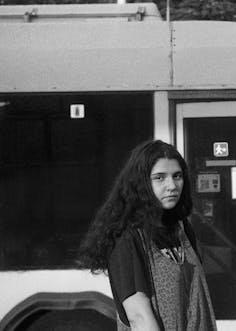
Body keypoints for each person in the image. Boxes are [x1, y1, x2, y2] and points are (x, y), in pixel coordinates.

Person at [80, 140, 217, 331]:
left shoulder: (181, 229)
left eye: (177, 176)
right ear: (141, 183)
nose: (172, 185)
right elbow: (139, 317)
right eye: (160, 178)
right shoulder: (128, 238)